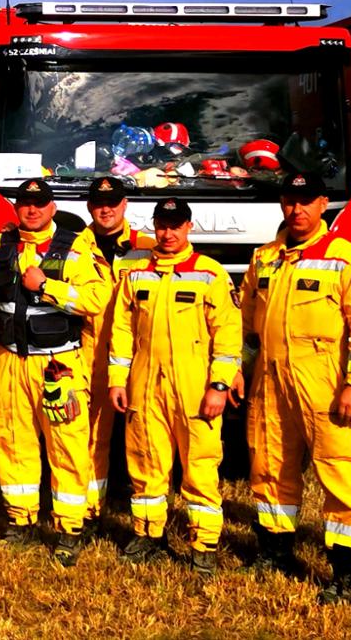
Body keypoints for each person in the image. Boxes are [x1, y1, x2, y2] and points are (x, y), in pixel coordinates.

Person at [240, 172, 351, 603]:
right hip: (269, 380)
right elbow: (246, 322)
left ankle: (347, 570)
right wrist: (236, 369)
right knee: (269, 466)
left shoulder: (345, 258)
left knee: (338, 471)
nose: (297, 209)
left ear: (324, 204)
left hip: (324, 384)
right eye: (290, 200)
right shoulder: (264, 257)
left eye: (306, 201)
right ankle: (275, 550)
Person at [0, 178, 111, 566]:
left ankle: (70, 528)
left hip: (58, 365)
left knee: (67, 445)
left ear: (53, 208)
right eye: (24, 203)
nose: (32, 210)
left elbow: (96, 298)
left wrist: (47, 285)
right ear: (16, 208)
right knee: (11, 442)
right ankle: (20, 520)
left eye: (40, 203)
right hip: (9, 361)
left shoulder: (75, 248)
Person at [106, 197, 241, 575]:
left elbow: (228, 335)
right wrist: (118, 380)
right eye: (162, 225)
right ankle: (148, 535)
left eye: (176, 226)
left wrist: (219, 385)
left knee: (200, 466)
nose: (168, 233)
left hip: (195, 387)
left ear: (188, 227)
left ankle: (203, 546)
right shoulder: (136, 274)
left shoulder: (210, 273)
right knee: (145, 462)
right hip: (145, 384)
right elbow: (122, 330)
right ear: (154, 226)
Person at [80, 177, 155, 532]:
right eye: (98, 203)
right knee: (90, 435)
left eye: (112, 202)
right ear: (89, 207)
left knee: (142, 432)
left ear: (125, 205)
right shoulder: (72, 247)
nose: (105, 209)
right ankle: (89, 510)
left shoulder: (149, 248)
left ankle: (137, 503)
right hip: (89, 351)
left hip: (137, 353)